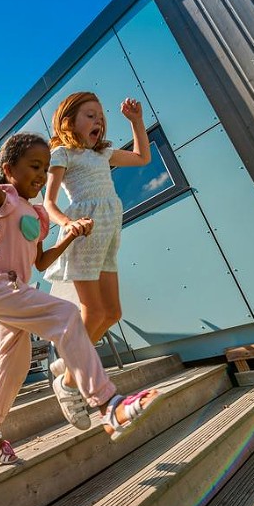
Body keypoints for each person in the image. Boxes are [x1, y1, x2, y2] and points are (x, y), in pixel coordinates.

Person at [0, 80, 159, 464]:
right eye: (34, 167)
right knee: (68, 314)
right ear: (9, 170)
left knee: (16, 364)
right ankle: (107, 404)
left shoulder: (37, 215)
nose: (40, 175)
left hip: (16, 289)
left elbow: (41, 263)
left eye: (43, 168)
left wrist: (67, 235)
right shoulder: (2, 200)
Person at [43, 91, 151, 386]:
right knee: (95, 310)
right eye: (90, 116)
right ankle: (68, 381)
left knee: (113, 312)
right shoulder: (62, 154)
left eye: (101, 118)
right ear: (68, 122)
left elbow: (143, 157)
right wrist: (69, 223)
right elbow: (48, 204)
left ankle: (67, 362)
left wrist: (137, 121)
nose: (99, 122)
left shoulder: (103, 153)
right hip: (84, 233)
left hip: (108, 233)